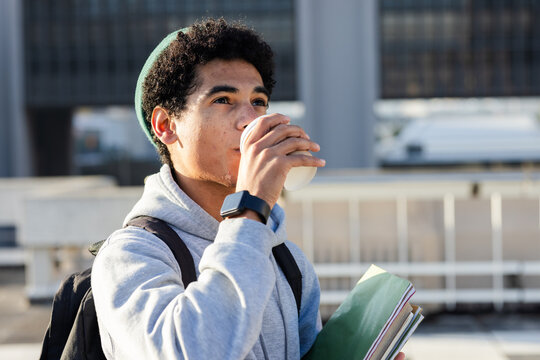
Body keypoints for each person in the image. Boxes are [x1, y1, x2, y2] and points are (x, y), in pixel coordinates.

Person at [92, 18, 405, 360]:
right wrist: (250, 207)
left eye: (258, 101)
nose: (250, 121)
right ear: (166, 125)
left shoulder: (284, 257)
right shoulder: (131, 254)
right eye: (224, 100)